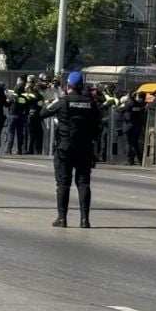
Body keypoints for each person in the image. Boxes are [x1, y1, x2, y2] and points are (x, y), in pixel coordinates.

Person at [40, 72, 100, 229]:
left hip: (65, 147)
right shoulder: (91, 103)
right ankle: (84, 220)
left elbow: (43, 113)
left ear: (68, 86)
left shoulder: (63, 101)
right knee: (83, 183)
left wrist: (50, 101)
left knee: (63, 183)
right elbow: (97, 125)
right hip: (85, 147)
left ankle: (62, 218)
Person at [118, 92, 147, 165]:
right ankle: (140, 160)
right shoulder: (138, 104)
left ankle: (129, 160)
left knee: (128, 143)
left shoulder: (129, 103)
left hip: (128, 125)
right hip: (137, 125)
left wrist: (120, 106)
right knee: (135, 143)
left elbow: (120, 110)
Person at [6, 80, 29, 155]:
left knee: (11, 133)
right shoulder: (24, 97)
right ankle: (19, 150)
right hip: (21, 116)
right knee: (20, 134)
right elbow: (26, 106)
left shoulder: (13, 96)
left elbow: (7, 104)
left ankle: (9, 150)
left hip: (12, 115)